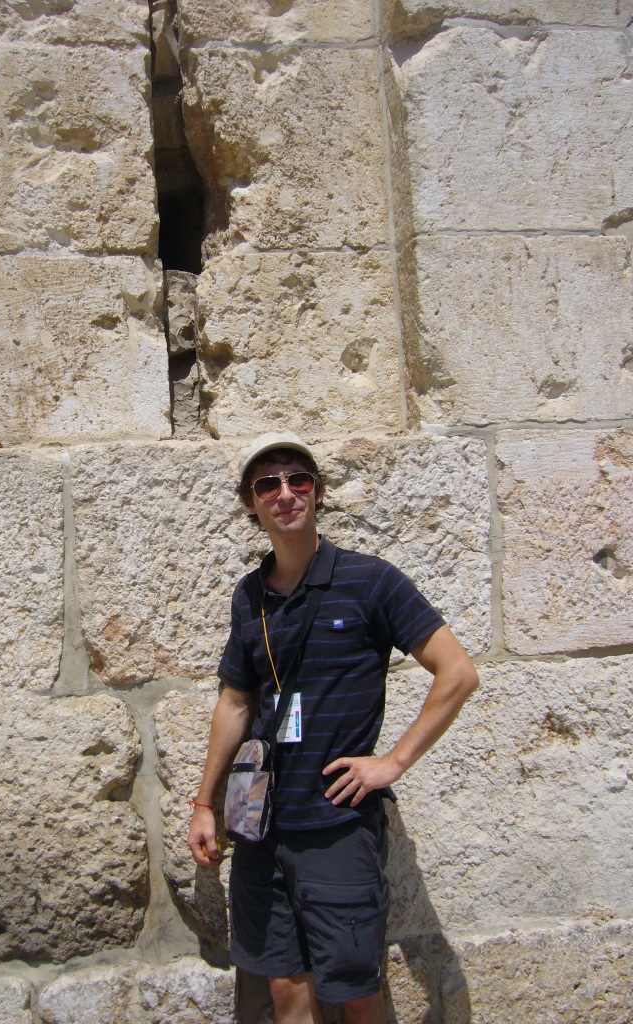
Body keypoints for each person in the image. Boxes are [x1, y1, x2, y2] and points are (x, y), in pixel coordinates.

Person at [187, 431, 479, 1024]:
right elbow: (236, 702)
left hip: (337, 826)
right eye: (267, 484)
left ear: (317, 492)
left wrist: (392, 762)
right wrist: (204, 803)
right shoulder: (250, 595)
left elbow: (458, 673)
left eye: (299, 479)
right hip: (259, 826)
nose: (285, 493)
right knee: (286, 991)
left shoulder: (371, 581)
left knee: (355, 993)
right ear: (250, 503)